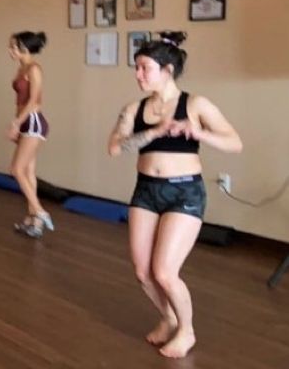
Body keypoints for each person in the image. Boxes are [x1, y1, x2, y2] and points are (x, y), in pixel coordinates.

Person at [108, 31, 242, 358]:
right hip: (146, 191)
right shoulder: (133, 110)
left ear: (167, 70)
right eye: (136, 68)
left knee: (164, 272)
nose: (138, 74)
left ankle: (187, 330)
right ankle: (168, 317)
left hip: (185, 191)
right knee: (143, 272)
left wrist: (197, 131)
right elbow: (114, 148)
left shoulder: (195, 105)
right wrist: (153, 131)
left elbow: (234, 143)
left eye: (144, 68)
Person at [7, 31, 54, 238]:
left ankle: (40, 211)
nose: (10, 50)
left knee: (16, 169)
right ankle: (34, 221)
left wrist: (16, 123)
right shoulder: (21, 68)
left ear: (24, 48)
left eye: (13, 47)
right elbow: (20, 101)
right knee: (27, 172)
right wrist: (18, 122)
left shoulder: (34, 69)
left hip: (33, 123)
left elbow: (35, 101)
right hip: (25, 122)